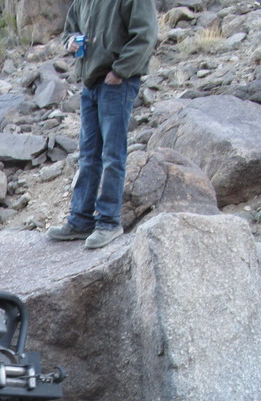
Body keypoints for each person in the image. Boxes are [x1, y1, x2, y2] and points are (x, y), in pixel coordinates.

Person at [46, 0, 158, 250]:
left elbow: (146, 36)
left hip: (116, 84)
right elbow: (70, 28)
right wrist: (71, 41)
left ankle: (109, 222)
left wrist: (119, 72)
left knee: (112, 155)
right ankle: (80, 220)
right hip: (91, 83)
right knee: (88, 155)